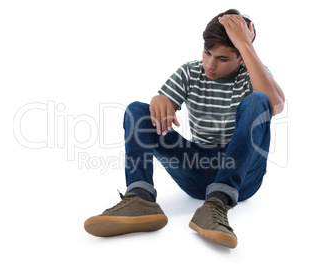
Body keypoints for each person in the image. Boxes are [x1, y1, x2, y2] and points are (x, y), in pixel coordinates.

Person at [84, 9, 285, 249]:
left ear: (241, 57)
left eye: (222, 59)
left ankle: (217, 204)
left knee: (258, 101)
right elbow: (161, 105)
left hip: (241, 177)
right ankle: (140, 198)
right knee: (137, 110)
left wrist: (245, 43)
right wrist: (160, 101)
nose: (210, 64)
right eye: (207, 53)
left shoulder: (253, 74)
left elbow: (274, 104)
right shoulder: (191, 71)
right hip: (197, 169)